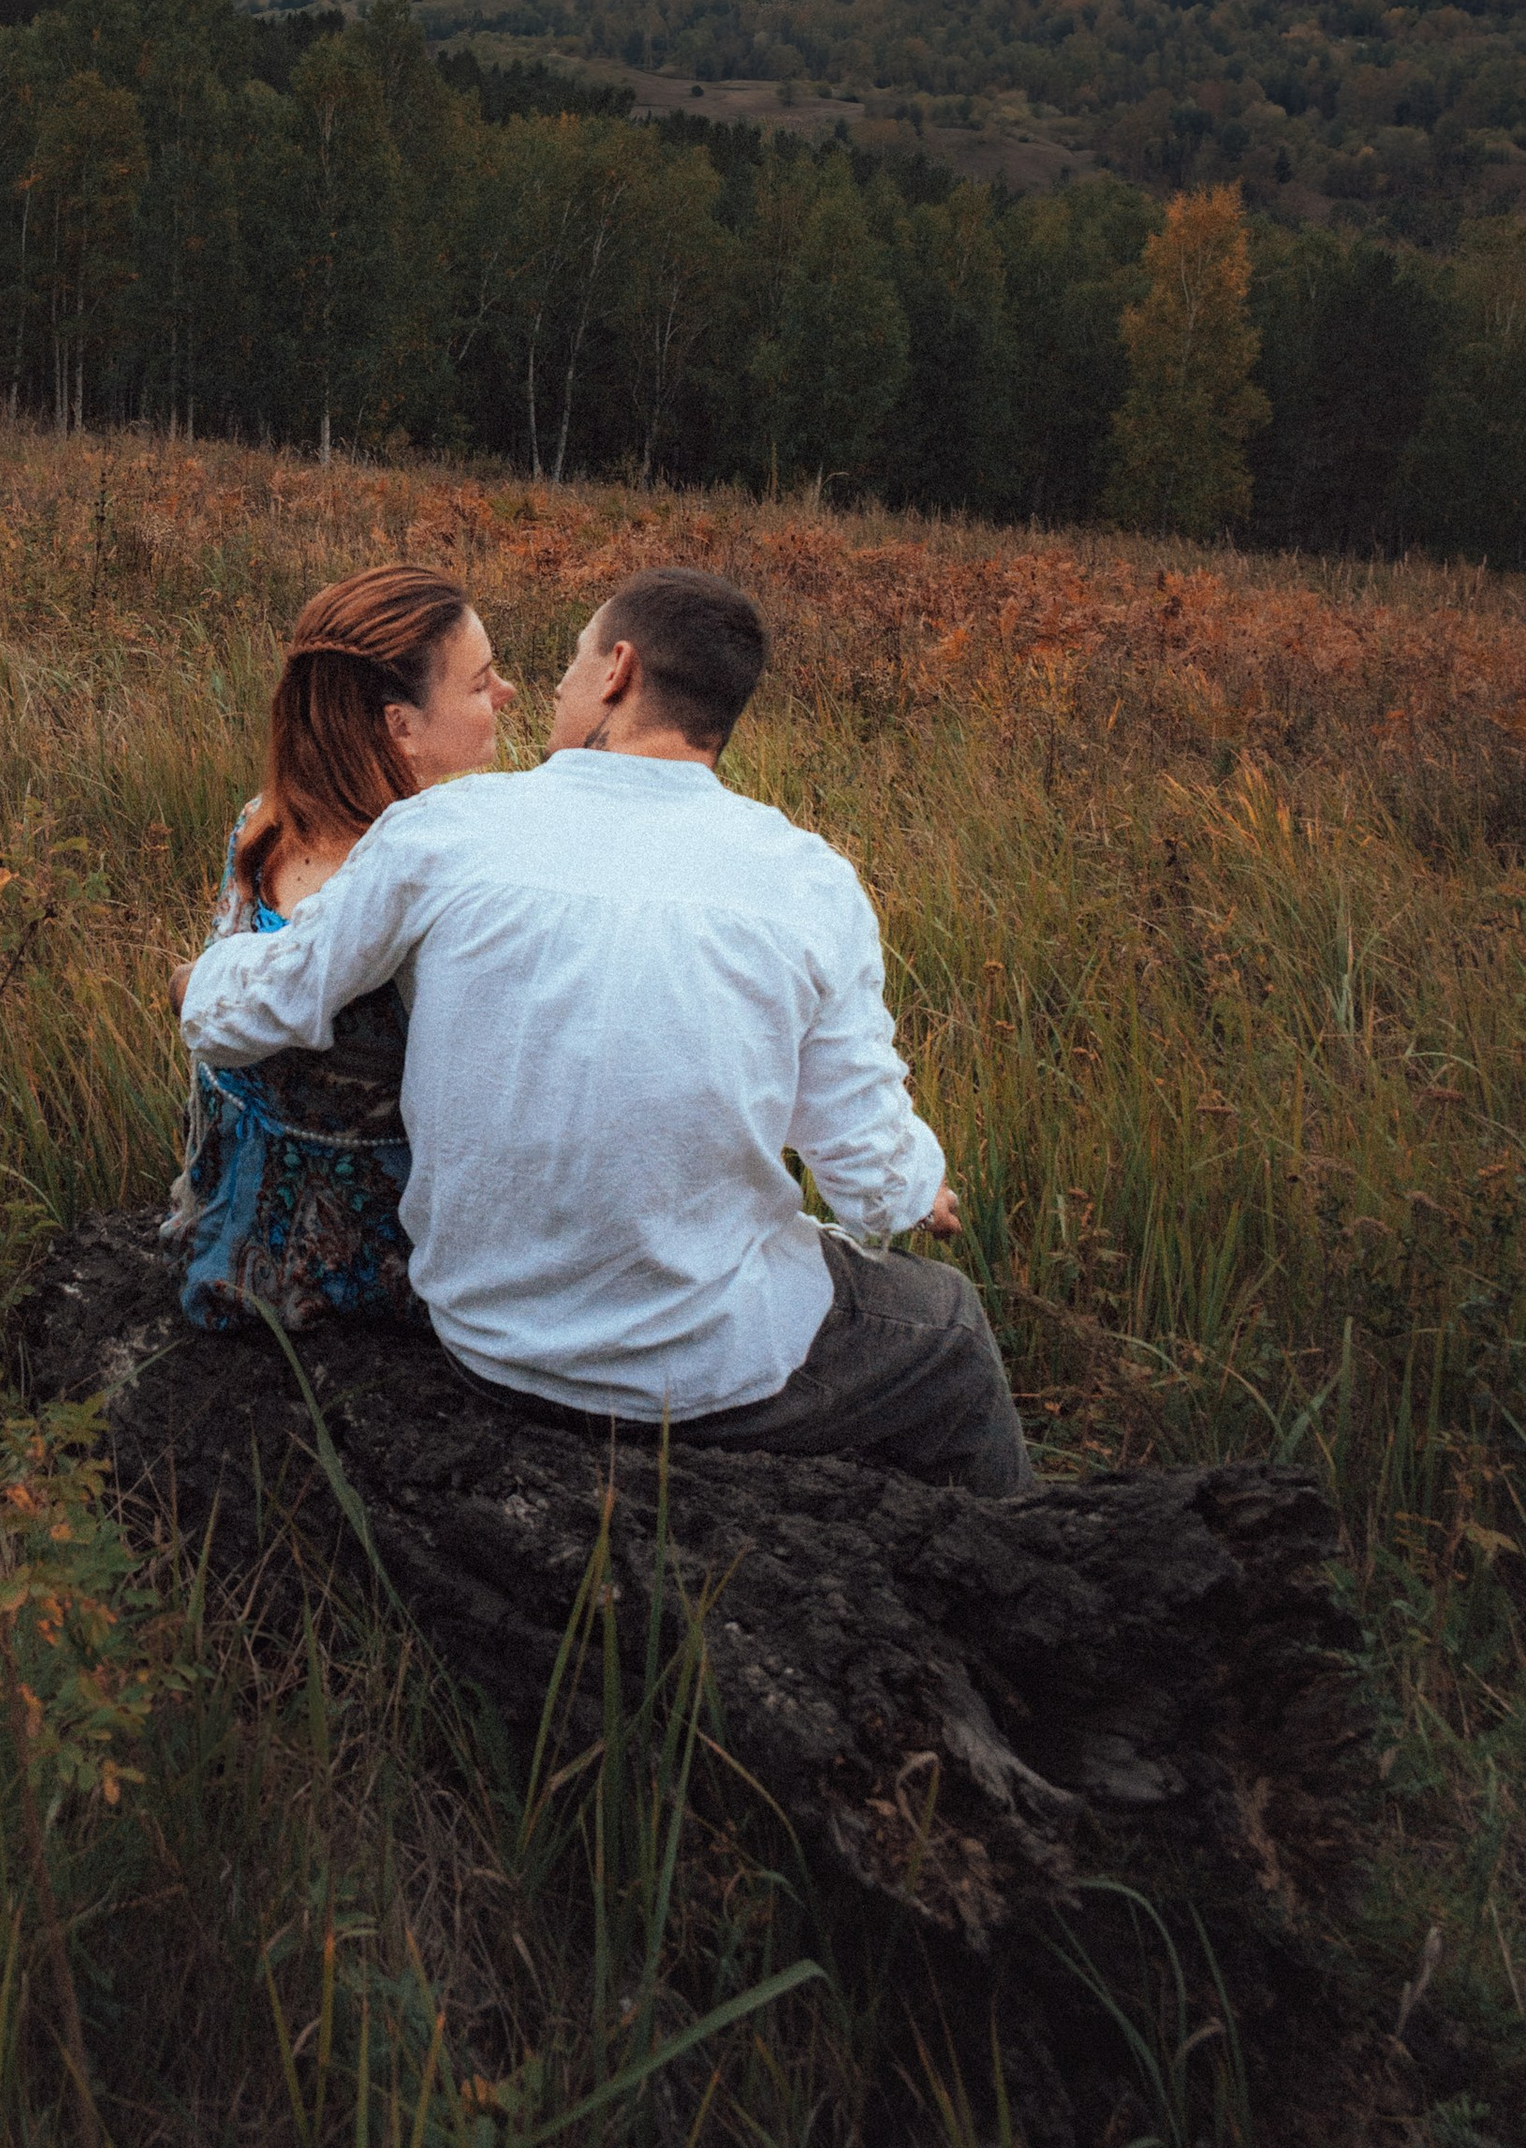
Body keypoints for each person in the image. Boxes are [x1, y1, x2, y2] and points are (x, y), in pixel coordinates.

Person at [180, 564, 1030, 1496]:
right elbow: (861, 1161)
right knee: (945, 1326)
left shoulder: (446, 828)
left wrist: (204, 973)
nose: (546, 685)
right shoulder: (807, 879)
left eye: (575, 656)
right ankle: (1017, 1570)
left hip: (483, 1342)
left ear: (618, 670)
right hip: (697, 1375)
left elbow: (254, 1006)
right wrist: (914, 1190)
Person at [165, 564, 516, 1330]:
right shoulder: (450, 884)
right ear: (401, 725)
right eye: (481, 681)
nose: (506, 694)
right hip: (388, 1266)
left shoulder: (262, 825)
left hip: (242, 1238)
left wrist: (188, 982)